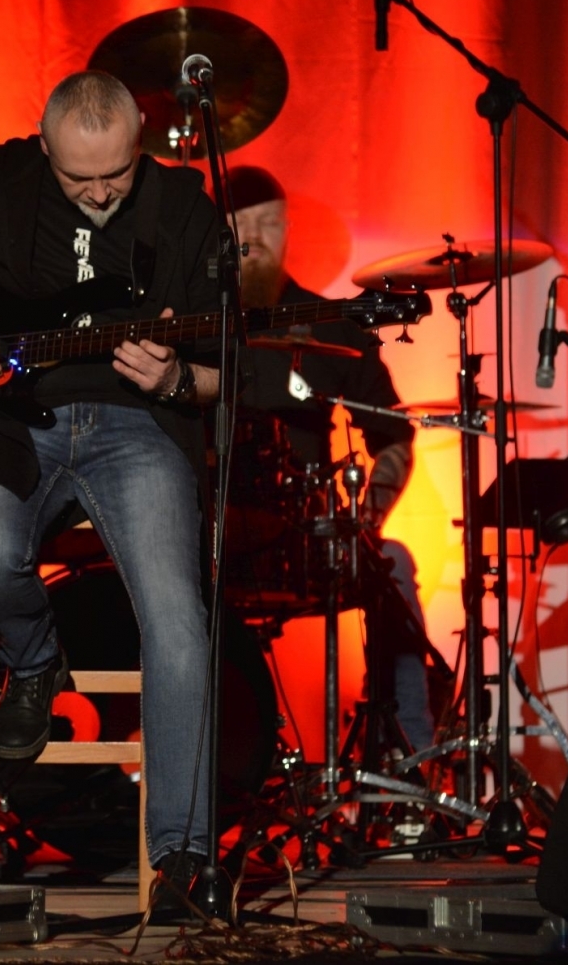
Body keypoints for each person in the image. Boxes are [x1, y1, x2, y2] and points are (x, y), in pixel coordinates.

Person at [0, 71, 218, 895]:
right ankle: (33, 662)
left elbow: (225, 371)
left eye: (115, 174)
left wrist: (173, 380)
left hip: (136, 428)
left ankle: (182, 855)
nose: (98, 192)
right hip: (12, 420)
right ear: (43, 145)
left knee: (178, 619)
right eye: (77, 178)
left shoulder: (187, 211)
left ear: (141, 138)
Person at [224, 165, 437, 755]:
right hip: (199, 535)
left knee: (391, 562)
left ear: (288, 230)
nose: (257, 237)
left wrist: (368, 518)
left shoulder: (332, 323)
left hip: (298, 539)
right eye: (241, 225)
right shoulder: (184, 327)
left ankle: (406, 763)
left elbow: (391, 435)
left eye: (269, 223)